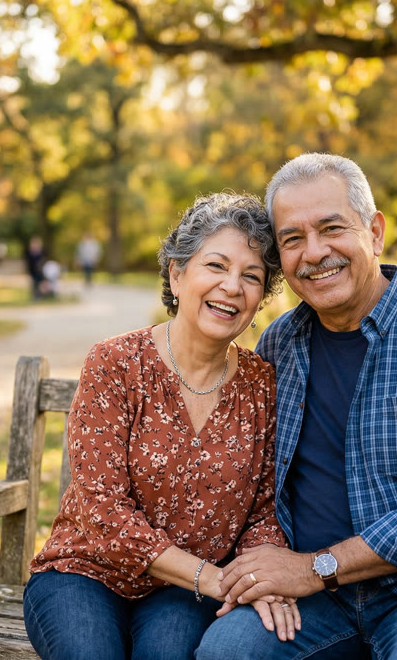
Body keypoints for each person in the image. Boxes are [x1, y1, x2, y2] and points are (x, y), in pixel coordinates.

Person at [196, 153, 397, 660]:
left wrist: (313, 568)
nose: (314, 252)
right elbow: (253, 477)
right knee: (226, 652)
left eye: (332, 228)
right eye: (292, 239)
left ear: (374, 232)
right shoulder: (281, 344)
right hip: (317, 601)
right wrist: (278, 569)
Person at [22, 193, 301, 660]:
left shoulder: (261, 384)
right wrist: (210, 577)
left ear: (259, 299)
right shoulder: (115, 362)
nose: (232, 286)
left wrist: (260, 578)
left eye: (251, 276)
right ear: (176, 274)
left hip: (185, 595)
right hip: (84, 573)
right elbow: (101, 508)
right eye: (216, 266)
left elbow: (263, 510)